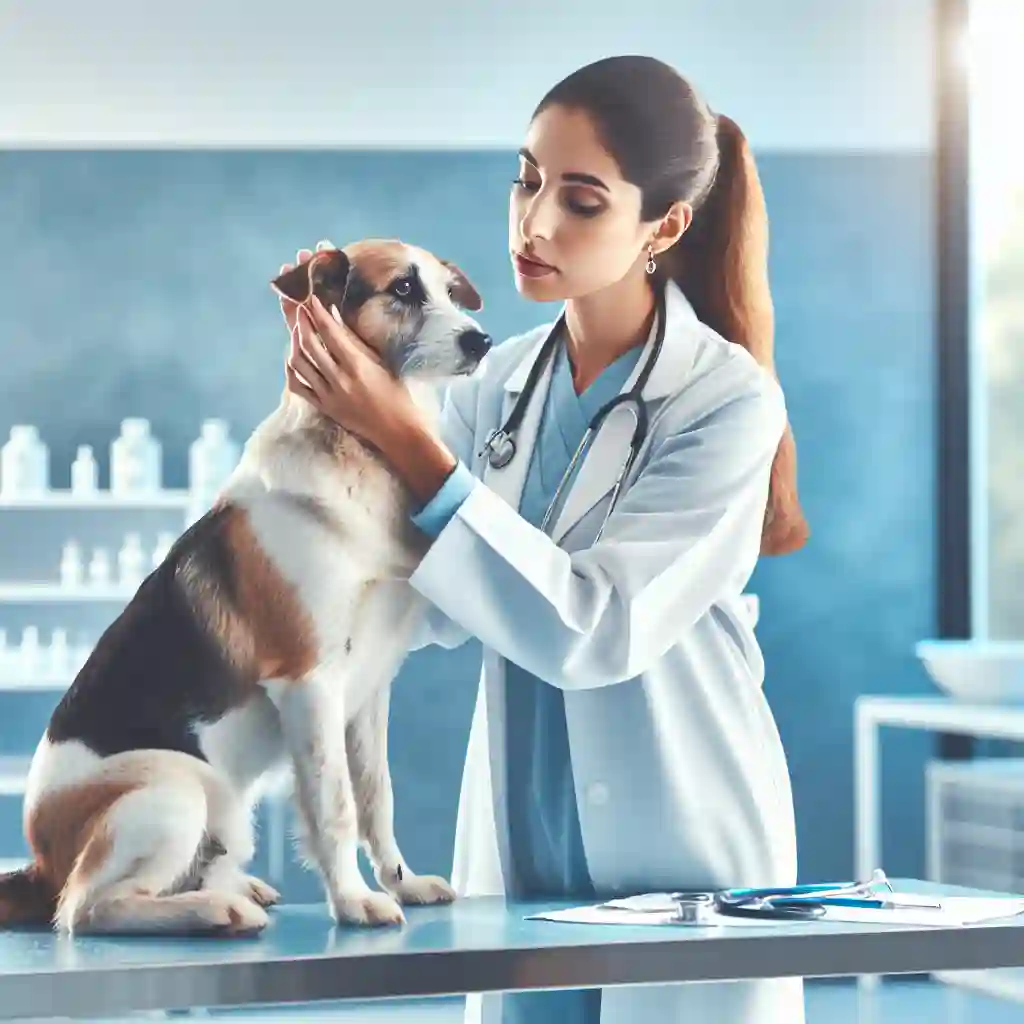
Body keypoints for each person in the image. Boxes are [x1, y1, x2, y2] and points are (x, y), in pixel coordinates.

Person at [280, 54, 808, 1024]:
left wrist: (402, 436)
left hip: (685, 861)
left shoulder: (726, 399)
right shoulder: (491, 383)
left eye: (580, 200)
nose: (534, 224)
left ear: (665, 225)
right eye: (525, 181)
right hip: (525, 879)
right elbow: (427, 611)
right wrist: (339, 421)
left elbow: (593, 630)